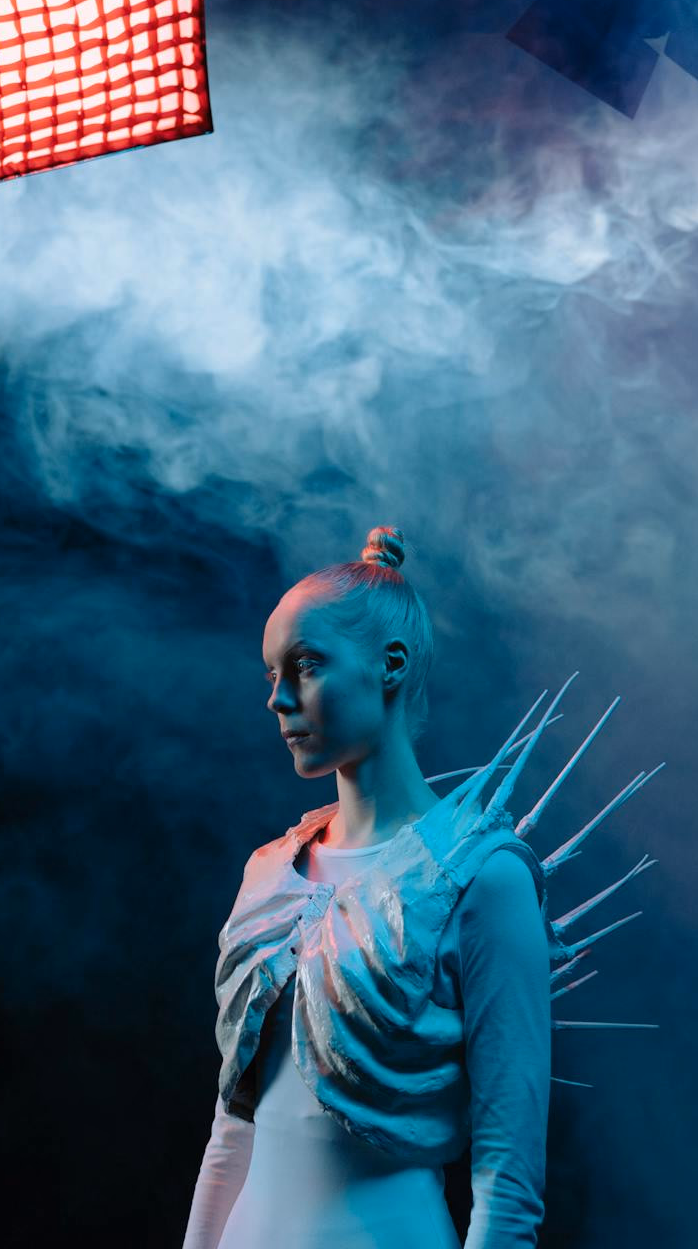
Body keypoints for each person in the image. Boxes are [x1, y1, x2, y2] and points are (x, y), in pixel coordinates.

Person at [180, 525, 553, 1249]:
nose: (278, 700)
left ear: (391, 665)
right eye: (271, 676)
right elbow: (232, 1130)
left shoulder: (484, 877)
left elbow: (507, 1179)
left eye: (307, 665)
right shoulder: (268, 872)